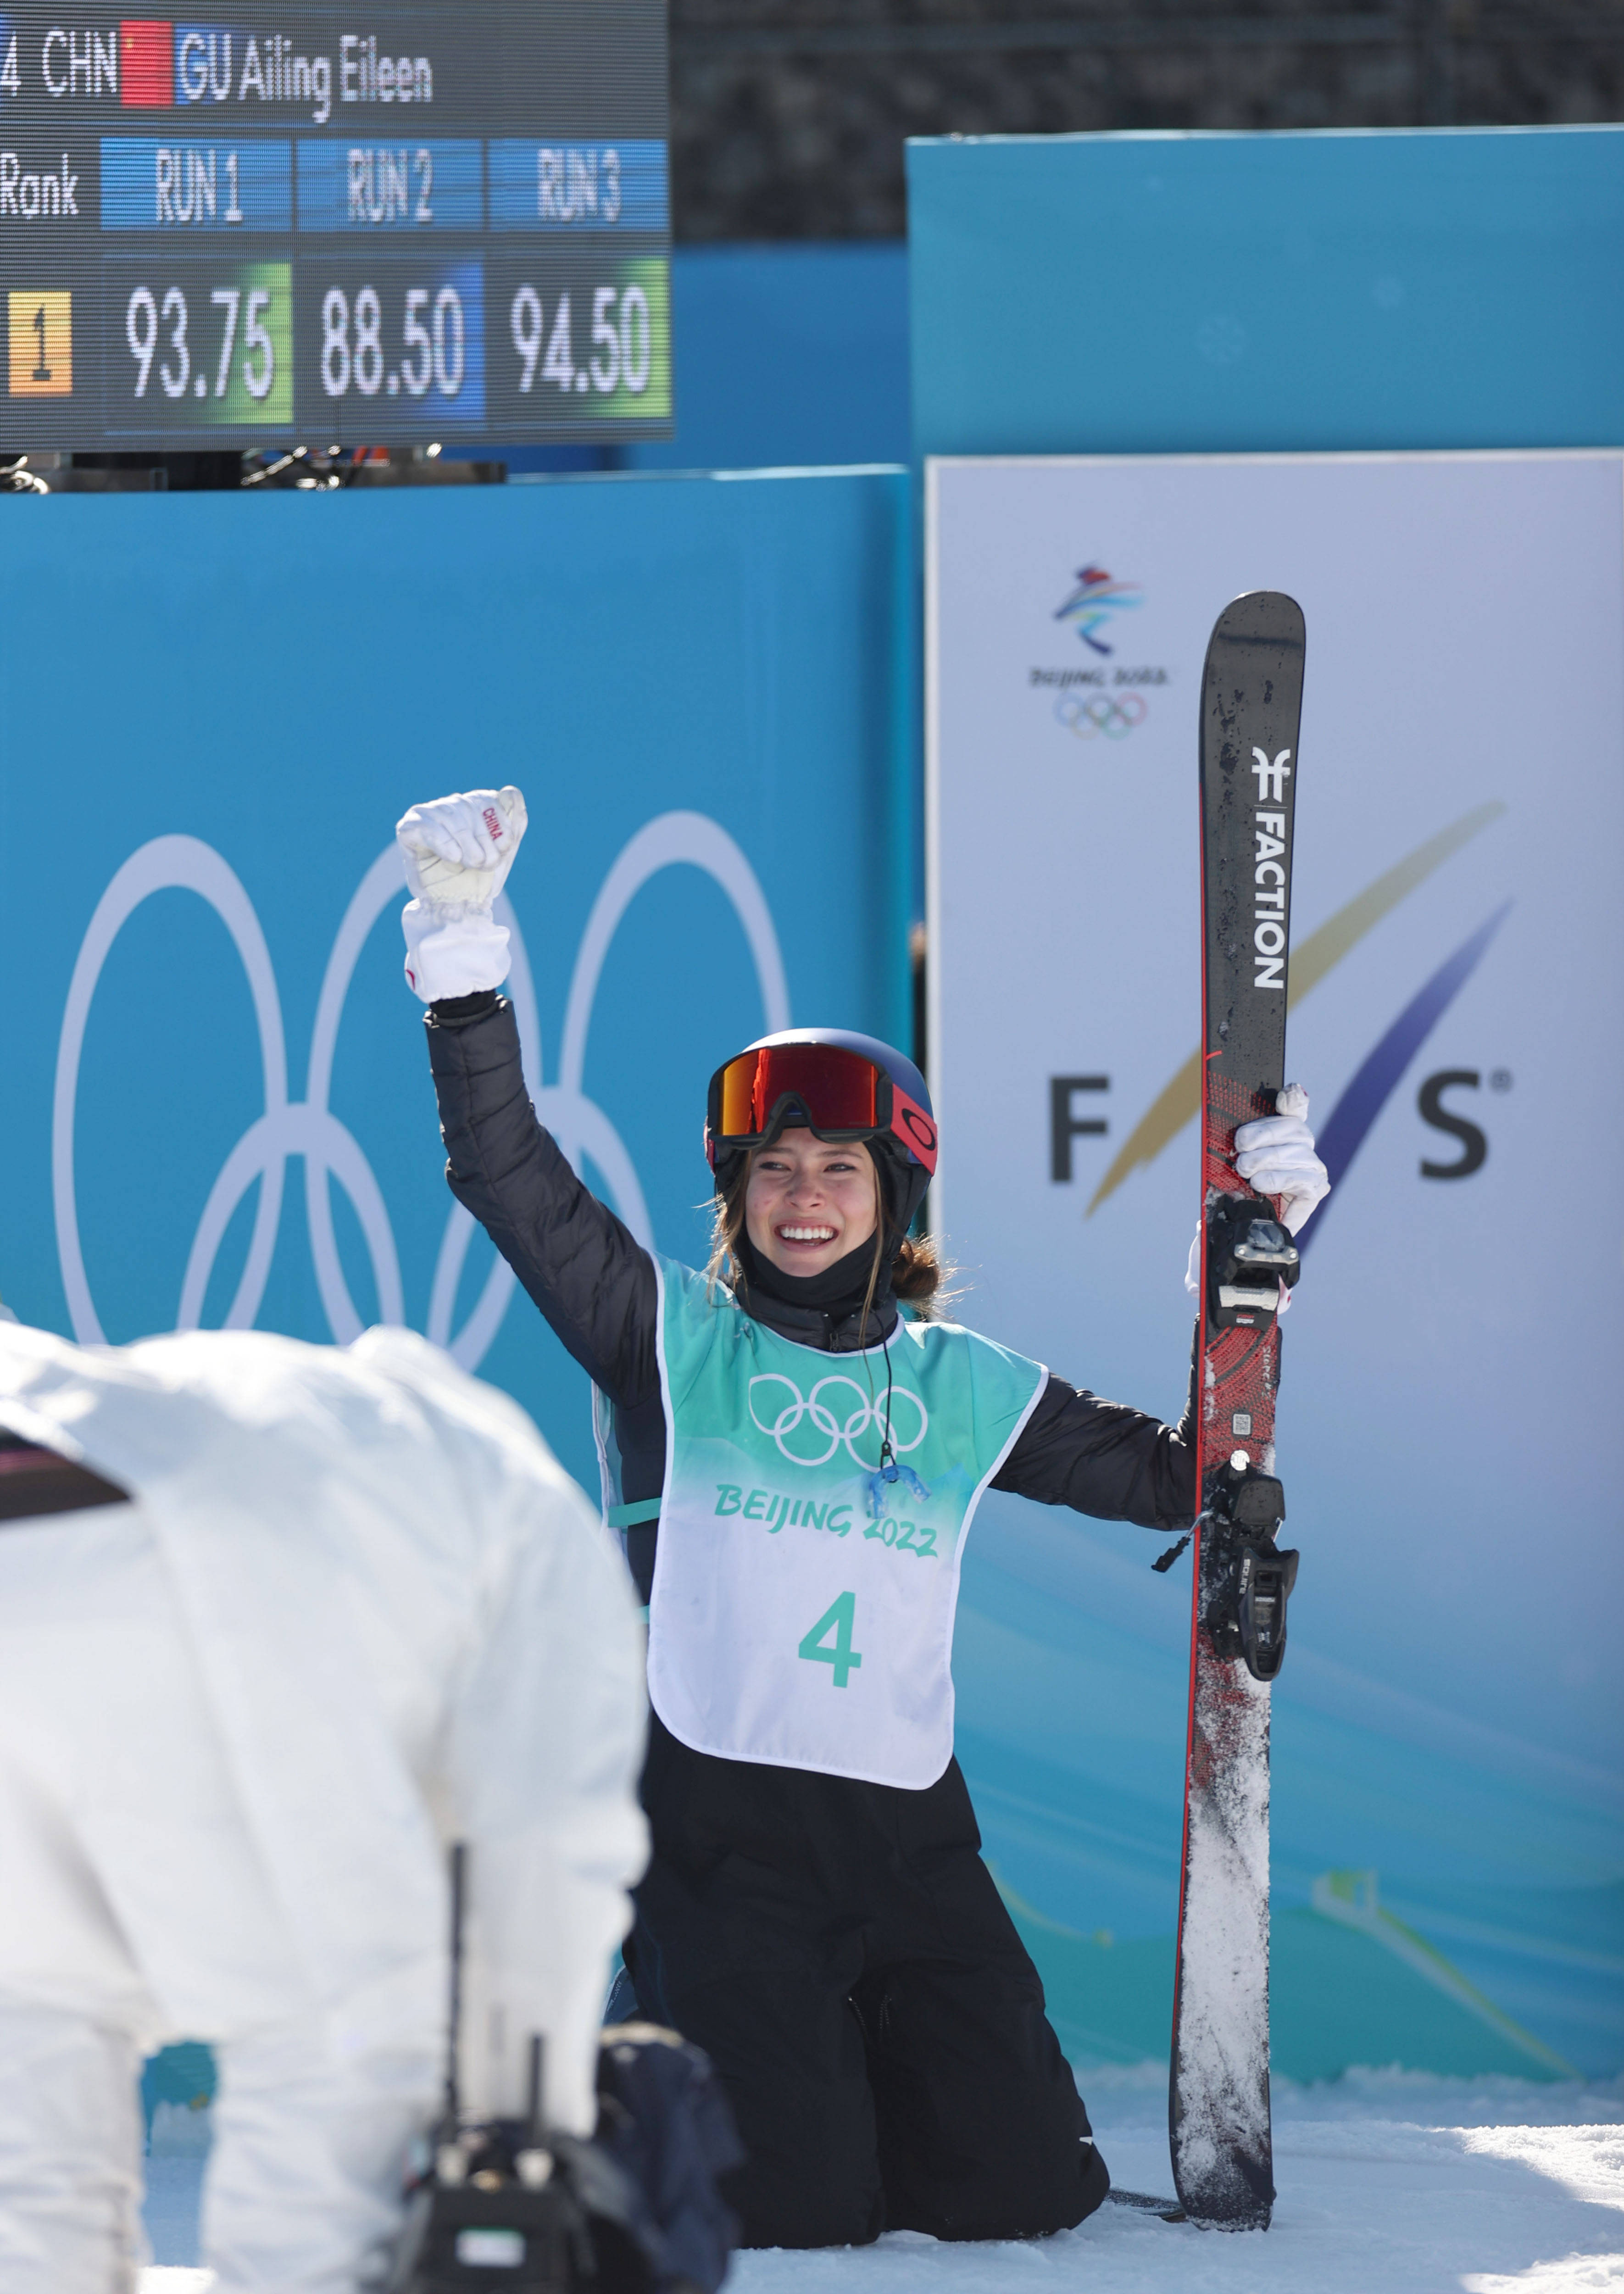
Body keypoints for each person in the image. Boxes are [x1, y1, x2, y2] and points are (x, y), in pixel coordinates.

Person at [396, 787, 1330, 2252]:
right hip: (716, 1839)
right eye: (772, 1169)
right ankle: (607, 2047)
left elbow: (1181, 1474)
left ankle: (844, 2078)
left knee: (1022, 2196)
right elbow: (509, 1178)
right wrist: (461, 953)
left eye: (839, 1170)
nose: (803, 1196)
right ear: (736, 1196)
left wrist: (1265, 1261)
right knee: (798, 2211)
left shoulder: (958, 1383)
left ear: (893, 1201)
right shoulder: (665, 1340)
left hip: (905, 1836)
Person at [0, 1319, 649, 2294]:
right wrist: (523, 2131)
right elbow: (550, 1856)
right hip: (211, 1535)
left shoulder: (354, 1422)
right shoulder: (534, 1514)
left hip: (37, 1507)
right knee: (337, 2042)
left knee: (40, 2059)